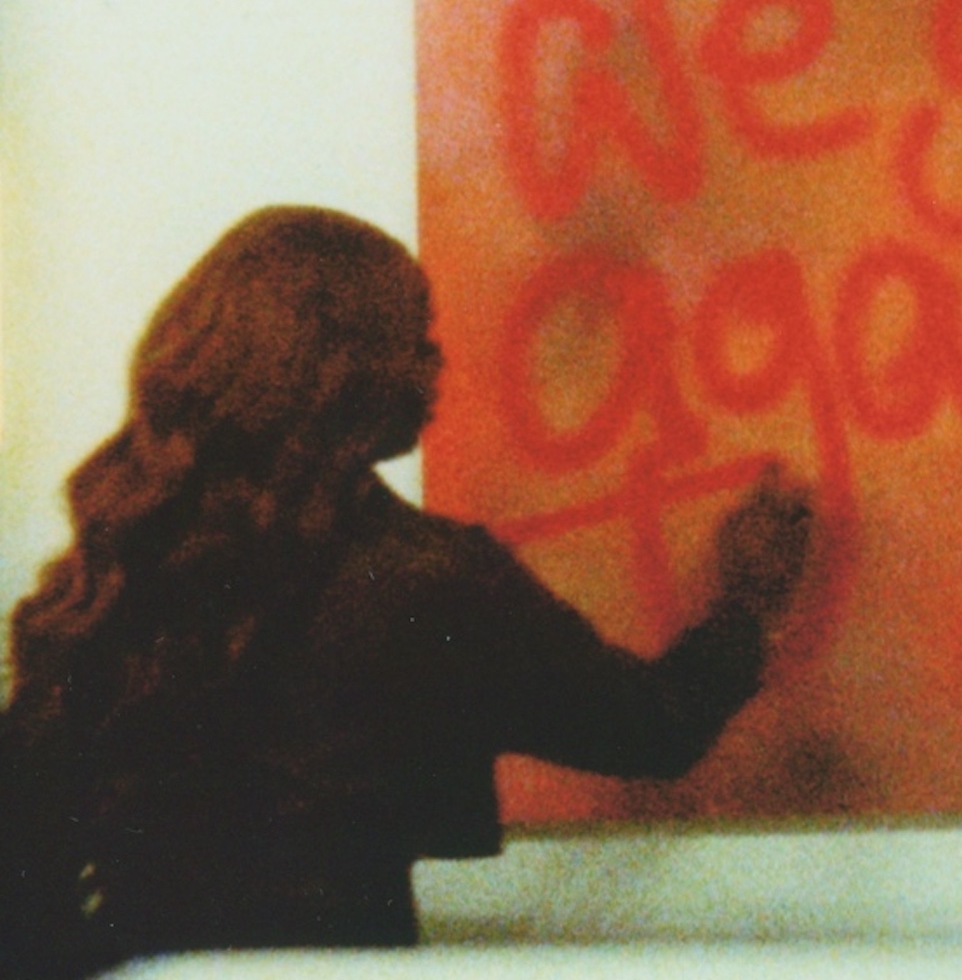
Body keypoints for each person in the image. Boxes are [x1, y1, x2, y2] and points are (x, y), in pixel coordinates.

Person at [0, 206, 813, 978]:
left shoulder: (120, 569)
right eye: (416, 339)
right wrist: (746, 601)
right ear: (341, 372)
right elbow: (652, 728)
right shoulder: (429, 581)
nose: (437, 364)